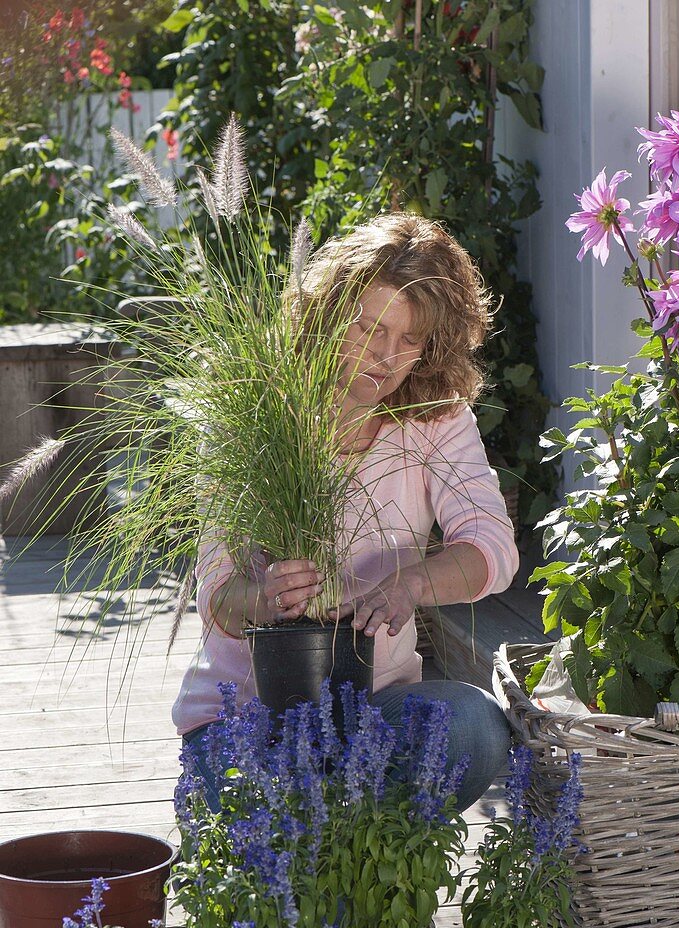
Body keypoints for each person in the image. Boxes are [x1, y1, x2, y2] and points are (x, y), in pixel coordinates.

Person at [172, 213, 519, 814]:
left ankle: (335, 848)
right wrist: (265, 596)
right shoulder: (256, 404)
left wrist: (412, 584)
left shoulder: (437, 417)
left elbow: (493, 548)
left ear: (434, 344)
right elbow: (219, 597)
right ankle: (350, 858)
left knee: (476, 729)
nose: (386, 357)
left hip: (374, 707)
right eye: (368, 329)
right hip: (250, 716)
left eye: (410, 340)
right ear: (329, 314)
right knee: (269, 813)